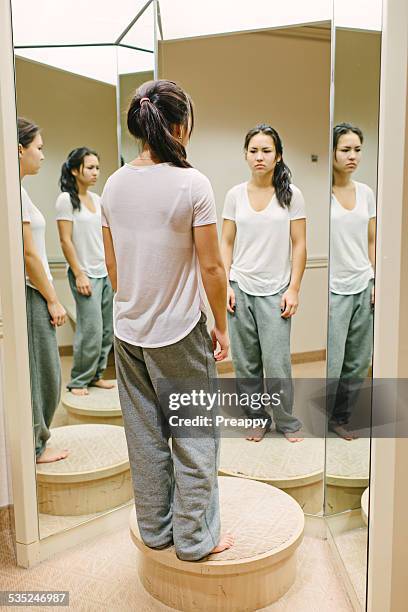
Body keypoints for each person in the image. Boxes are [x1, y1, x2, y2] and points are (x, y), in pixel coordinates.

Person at [101, 79, 234, 561]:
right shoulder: (192, 183)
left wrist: (136, 302)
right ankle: (197, 540)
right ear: (180, 124)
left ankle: (156, 532)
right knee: (195, 436)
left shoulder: (113, 185)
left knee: (145, 435)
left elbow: (113, 268)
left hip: (128, 329)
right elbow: (213, 266)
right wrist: (219, 324)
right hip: (178, 331)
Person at [221, 124, 306, 443]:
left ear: (278, 155)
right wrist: (226, 285)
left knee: (277, 364)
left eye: (266, 150)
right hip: (240, 288)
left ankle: (286, 420)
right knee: (245, 363)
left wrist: (294, 288)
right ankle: (256, 417)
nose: (259, 156)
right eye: (254, 150)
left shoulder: (291, 195)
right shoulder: (234, 195)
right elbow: (225, 243)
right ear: (245, 155)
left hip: (276, 292)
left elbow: (299, 244)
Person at [18, 117, 68, 463]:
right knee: (44, 372)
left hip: (37, 292)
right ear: (19, 149)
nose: (43, 155)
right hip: (32, 295)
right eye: (38, 148)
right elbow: (28, 254)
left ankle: (39, 438)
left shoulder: (19, 191)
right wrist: (52, 299)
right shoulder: (13, 193)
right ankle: (37, 444)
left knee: (44, 370)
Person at [328, 123, 376, 440]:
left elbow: (372, 240)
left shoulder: (367, 193)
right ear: (333, 151)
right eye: (346, 149)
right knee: (334, 363)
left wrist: (375, 279)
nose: (352, 156)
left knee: (358, 362)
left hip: (364, 283)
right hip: (334, 289)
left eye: (357, 149)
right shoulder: (319, 193)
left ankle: (341, 418)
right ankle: (324, 415)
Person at [56, 147, 114, 396]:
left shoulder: (98, 199)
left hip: (103, 272)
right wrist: (79, 273)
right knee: (90, 328)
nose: (95, 172)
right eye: (89, 167)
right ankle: (79, 380)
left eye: (97, 168)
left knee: (106, 330)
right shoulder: (66, 200)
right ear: (74, 169)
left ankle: (96, 375)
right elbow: (65, 241)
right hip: (84, 273)